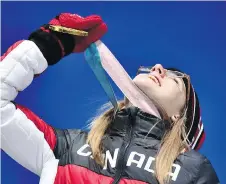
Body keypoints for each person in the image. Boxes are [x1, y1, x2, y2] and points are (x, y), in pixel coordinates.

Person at [0, 13, 219, 184]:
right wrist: (49, 43)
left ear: (178, 115)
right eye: (156, 67)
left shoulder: (193, 171)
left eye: (176, 79)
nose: (158, 68)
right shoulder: (67, 148)